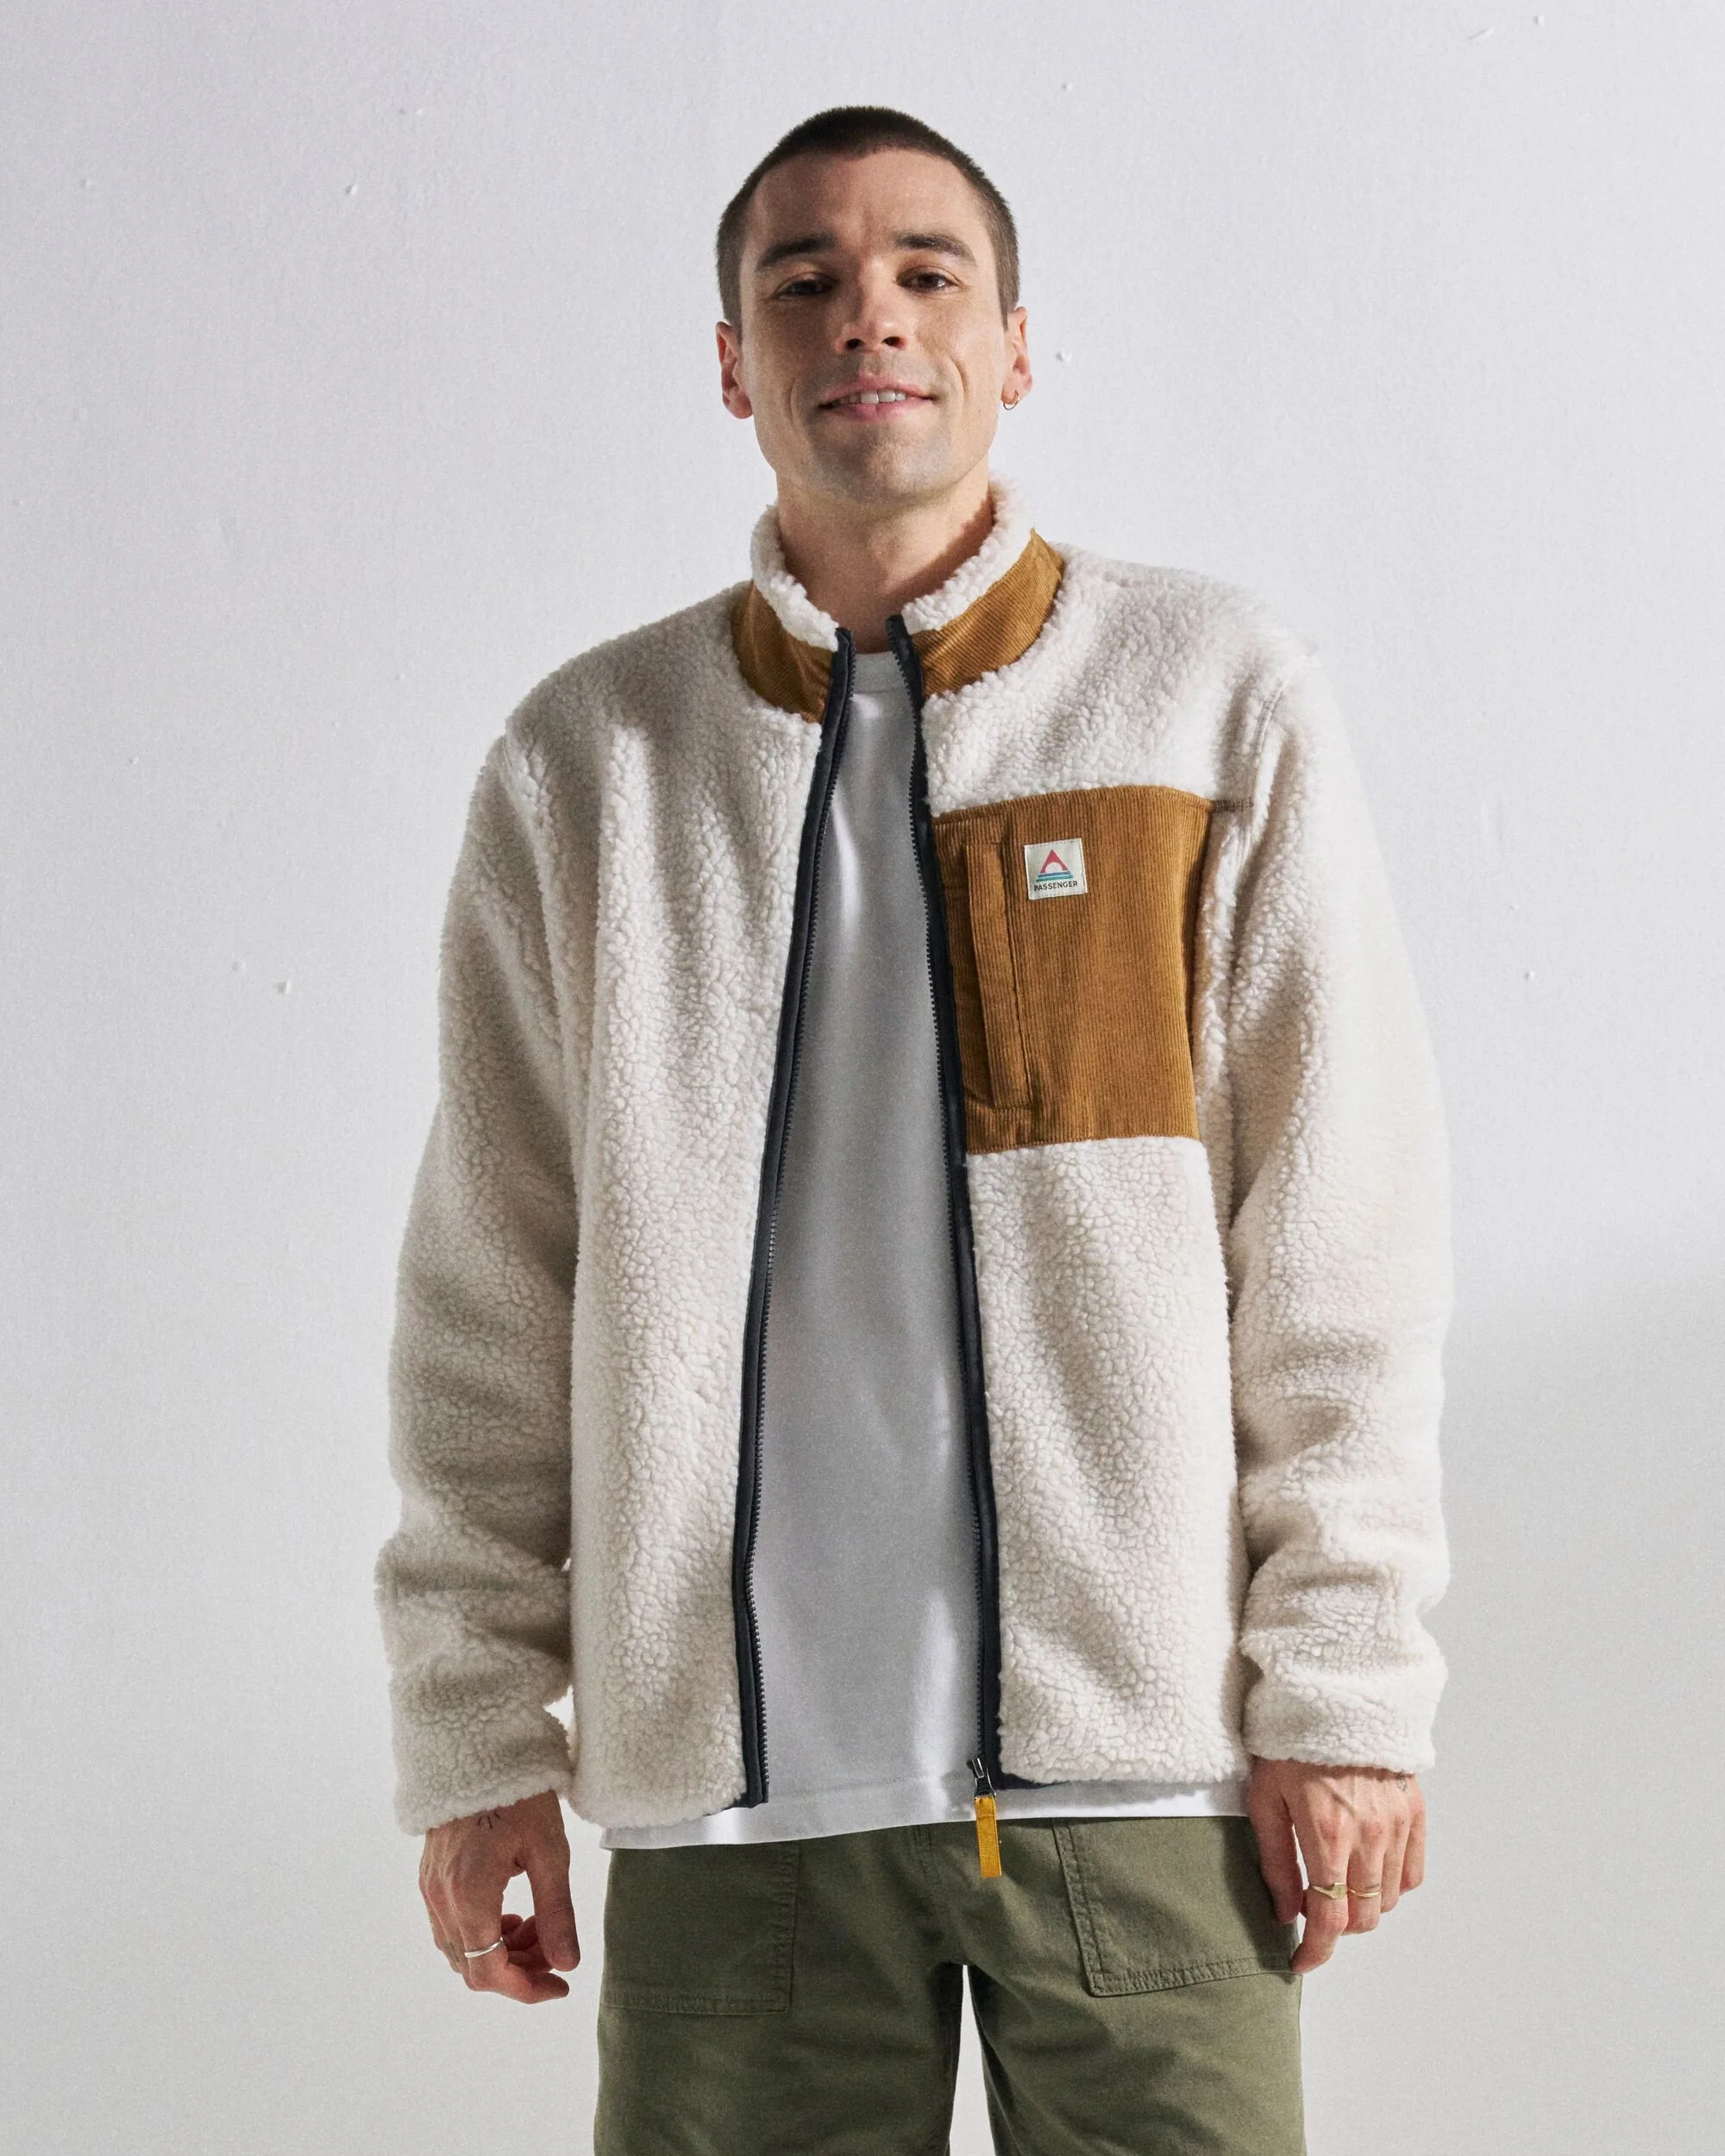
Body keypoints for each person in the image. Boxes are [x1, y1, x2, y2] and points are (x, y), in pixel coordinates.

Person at [374, 104, 1452, 2154]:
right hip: (737, 1815)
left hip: (1141, 1785)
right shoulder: (588, 766)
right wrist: (474, 1732)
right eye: (804, 279)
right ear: (735, 363)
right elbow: (487, 1295)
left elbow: (1336, 1243)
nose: (865, 314)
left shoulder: (1209, 700)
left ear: (1012, 345)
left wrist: (1344, 1691)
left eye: (923, 271)